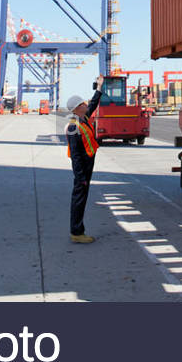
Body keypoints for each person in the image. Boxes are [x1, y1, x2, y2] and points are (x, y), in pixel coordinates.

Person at [65, 77, 103, 243]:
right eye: (83, 103)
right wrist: (80, 177)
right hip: (82, 170)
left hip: (87, 167)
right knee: (79, 199)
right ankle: (77, 232)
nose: (87, 104)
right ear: (78, 108)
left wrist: (100, 87)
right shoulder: (74, 126)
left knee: (81, 199)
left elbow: (94, 103)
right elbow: (75, 155)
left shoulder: (83, 118)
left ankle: (78, 230)